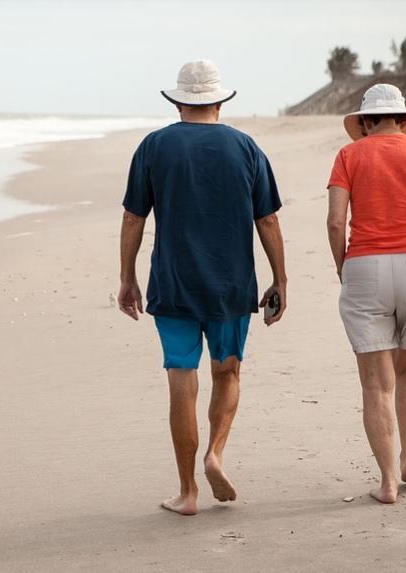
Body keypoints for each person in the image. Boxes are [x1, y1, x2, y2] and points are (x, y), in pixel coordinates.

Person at [118, 60, 287, 516]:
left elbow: (135, 216)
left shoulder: (154, 146)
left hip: (173, 283)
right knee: (227, 373)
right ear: (220, 100)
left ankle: (188, 491)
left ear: (177, 101)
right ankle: (215, 452)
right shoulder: (246, 147)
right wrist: (280, 279)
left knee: (181, 378)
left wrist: (127, 277)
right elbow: (267, 218)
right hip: (231, 286)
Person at [326, 84, 406, 504]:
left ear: (365, 122)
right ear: (402, 118)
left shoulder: (349, 156)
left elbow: (334, 221)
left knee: (375, 384)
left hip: (365, 265)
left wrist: (344, 266)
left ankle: (386, 482)